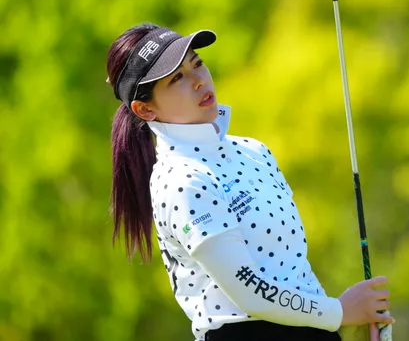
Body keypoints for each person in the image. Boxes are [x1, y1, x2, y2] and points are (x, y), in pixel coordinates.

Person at [106, 23, 394, 341]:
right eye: (177, 78)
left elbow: (292, 269)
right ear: (145, 109)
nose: (199, 80)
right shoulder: (180, 180)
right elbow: (249, 293)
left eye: (197, 63)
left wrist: (348, 321)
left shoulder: (254, 151)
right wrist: (338, 312)